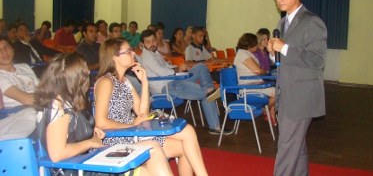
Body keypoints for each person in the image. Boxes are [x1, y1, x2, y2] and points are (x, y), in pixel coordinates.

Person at [34, 53, 172, 175]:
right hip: (75, 169)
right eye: (83, 71)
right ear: (72, 77)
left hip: (84, 161)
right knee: (147, 165)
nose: (88, 72)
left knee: (152, 147)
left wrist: (91, 130)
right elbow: (57, 154)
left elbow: (69, 131)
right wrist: (90, 142)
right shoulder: (58, 105)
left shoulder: (67, 100)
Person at [94, 37, 208, 176]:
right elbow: (101, 122)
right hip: (116, 138)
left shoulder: (126, 82)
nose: (133, 53)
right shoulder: (106, 82)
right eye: (128, 51)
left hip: (132, 133)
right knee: (187, 138)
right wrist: (131, 126)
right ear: (114, 57)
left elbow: (142, 112)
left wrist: (145, 81)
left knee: (187, 137)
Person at [268, 0, 327, 176]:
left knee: (286, 150)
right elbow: (286, 60)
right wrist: (272, 53)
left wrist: (284, 47)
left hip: (301, 97)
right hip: (287, 95)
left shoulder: (312, 22)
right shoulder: (283, 22)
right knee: (296, 148)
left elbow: (317, 60)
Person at [138, 30, 228, 135]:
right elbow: (163, 72)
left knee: (200, 67)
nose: (152, 44)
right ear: (142, 44)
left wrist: (182, 67)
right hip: (166, 87)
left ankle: (209, 89)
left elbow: (167, 67)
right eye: (148, 42)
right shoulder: (147, 57)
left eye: (153, 40)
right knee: (207, 95)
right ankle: (215, 125)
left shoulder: (155, 53)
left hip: (174, 80)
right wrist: (179, 69)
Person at [234, 33, 276, 126]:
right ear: (251, 44)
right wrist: (264, 71)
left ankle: (270, 114)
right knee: (279, 93)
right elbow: (257, 70)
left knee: (276, 91)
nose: (257, 45)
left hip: (254, 84)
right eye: (256, 43)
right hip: (249, 87)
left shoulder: (245, 53)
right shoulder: (243, 54)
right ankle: (265, 110)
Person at [0, 36, 38, 140]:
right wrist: (53, 97)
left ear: (12, 50)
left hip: (37, 109)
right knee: (33, 113)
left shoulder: (24, 67)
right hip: (13, 116)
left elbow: (42, 89)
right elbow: (26, 99)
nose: (4, 52)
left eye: (6, 47)